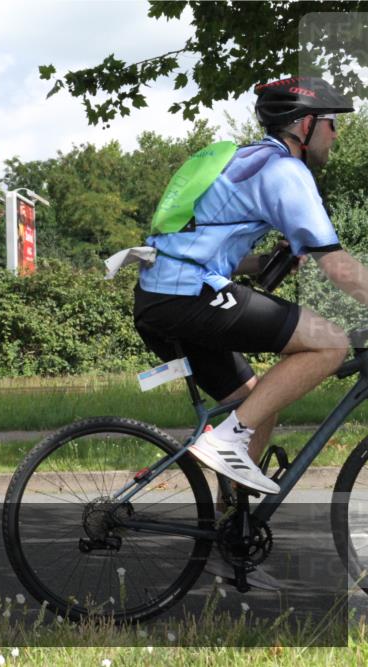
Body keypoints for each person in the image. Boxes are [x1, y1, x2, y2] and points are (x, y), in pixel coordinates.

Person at [132, 77, 367, 587]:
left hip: (164, 295)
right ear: (305, 126)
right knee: (330, 342)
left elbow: (209, 242)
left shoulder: (246, 161)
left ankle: (228, 546)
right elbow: (340, 266)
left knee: (257, 402)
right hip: (185, 296)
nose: (335, 135)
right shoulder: (285, 171)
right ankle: (225, 442)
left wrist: (263, 260)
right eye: (331, 124)